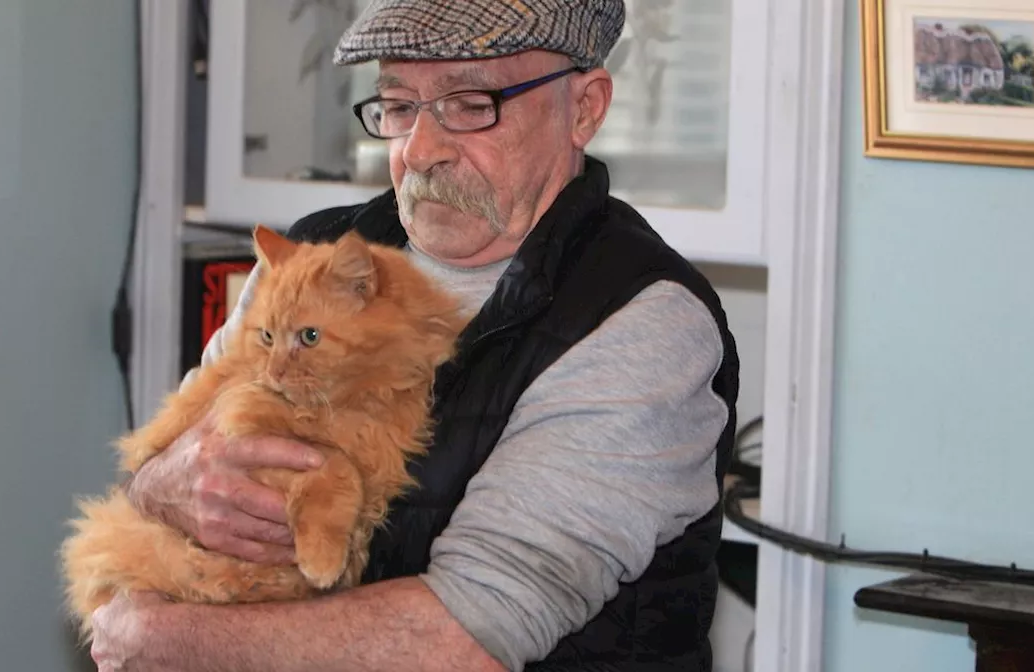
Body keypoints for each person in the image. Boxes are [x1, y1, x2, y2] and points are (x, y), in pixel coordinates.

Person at [89, 0, 739, 670]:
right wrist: (164, 484)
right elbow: (158, 463)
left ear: (585, 108)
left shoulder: (640, 322)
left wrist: (166, 638)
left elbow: (464, 640)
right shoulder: (310, 255)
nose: (420, 150)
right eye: (398, 105)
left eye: (470, 102)